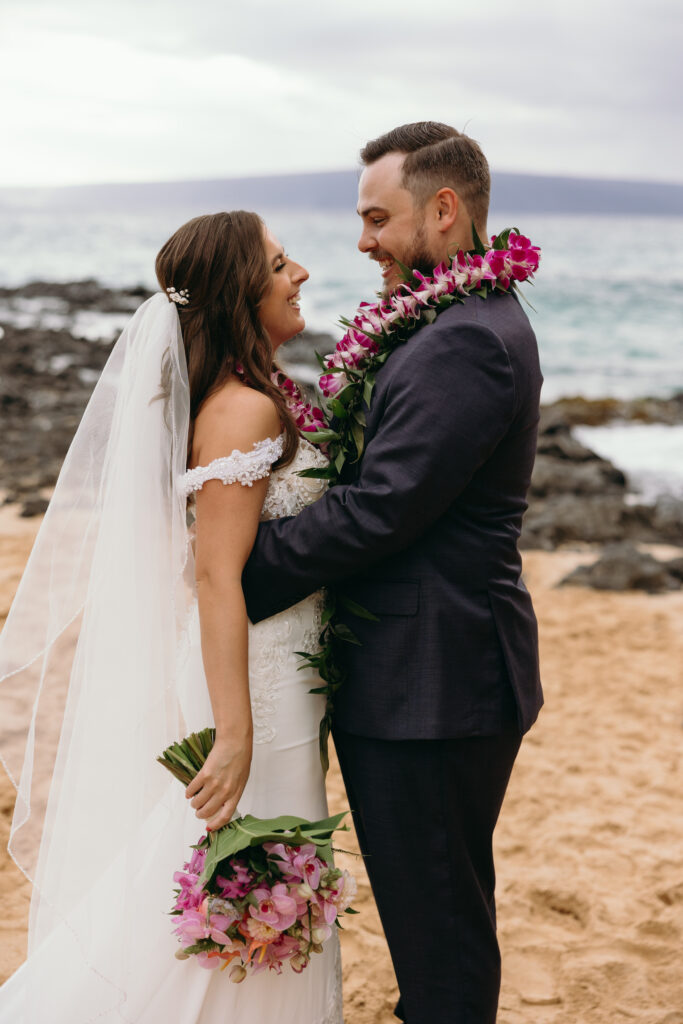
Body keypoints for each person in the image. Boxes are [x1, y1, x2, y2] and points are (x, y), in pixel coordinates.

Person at [0, 212, 343, 1022]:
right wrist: (235, 732)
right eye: (280, 263)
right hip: (252, 683)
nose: (301, 275)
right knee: (252, 874)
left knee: (255, 874)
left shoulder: (245, 396)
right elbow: (216, 577)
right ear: (238, 292)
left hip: (270, 669)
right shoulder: (242, 409)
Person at [242, 122, 544, 1024]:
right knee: (438, 919)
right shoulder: (446, 321)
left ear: (443, 211)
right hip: (424, 674)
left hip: (436, 682)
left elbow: (379, 506)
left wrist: (235, 577)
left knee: (440, 937)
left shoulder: (467, 341)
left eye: (379, 217)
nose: (363, 240)